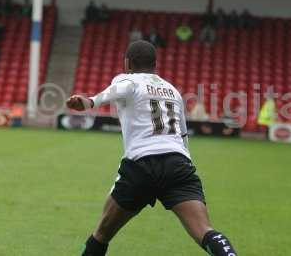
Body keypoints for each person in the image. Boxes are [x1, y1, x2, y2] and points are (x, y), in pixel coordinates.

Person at [66, 40, 238, 256]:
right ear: (154, 64)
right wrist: (185, 167)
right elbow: (183, 136)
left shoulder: (127, 79)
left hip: (141, 165)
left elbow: (120, 88)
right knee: (204, 230)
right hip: (178, 164)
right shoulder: (172, 91)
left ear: (127, 63)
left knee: (102, 233)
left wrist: (90, 101)